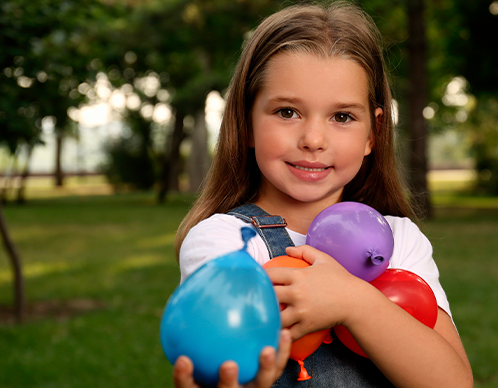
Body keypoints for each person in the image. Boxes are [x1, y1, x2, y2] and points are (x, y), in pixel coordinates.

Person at [172, 2, 473, 387]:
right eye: (287, 112)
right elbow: (219, 361)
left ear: (372, 134)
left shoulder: (400, 241)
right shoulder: (226, 243)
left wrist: (355, 302)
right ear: (245, 122)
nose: (313, 140)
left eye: (342, 117)